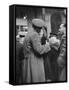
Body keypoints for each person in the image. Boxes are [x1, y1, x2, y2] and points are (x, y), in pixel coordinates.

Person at [22, 18, 51, 83]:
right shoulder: (35, 35)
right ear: (37, 28)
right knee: (36, 79)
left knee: (29, 78)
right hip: (34, 60)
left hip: (28, 59)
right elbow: (39, 50)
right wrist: (48, 45)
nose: (40, 30)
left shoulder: (29, 33)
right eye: (40, 28)